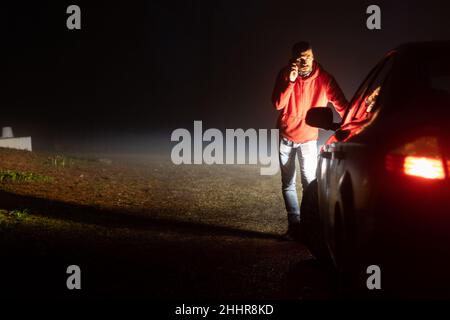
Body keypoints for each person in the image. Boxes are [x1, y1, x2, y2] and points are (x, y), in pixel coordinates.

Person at [271, 41, 348, 240]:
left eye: (308, 56)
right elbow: (278, 104)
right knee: (287, 183)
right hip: (286, 138)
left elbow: (343, 106)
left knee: (309, 184)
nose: (305, 61)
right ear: (293, 59)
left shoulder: (325, 79)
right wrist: (290, 80)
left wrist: (362, 111)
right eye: (300, 57)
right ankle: (294, 225)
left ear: (313, 57)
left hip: (308, 140)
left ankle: (309, 226)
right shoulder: (285, 73)